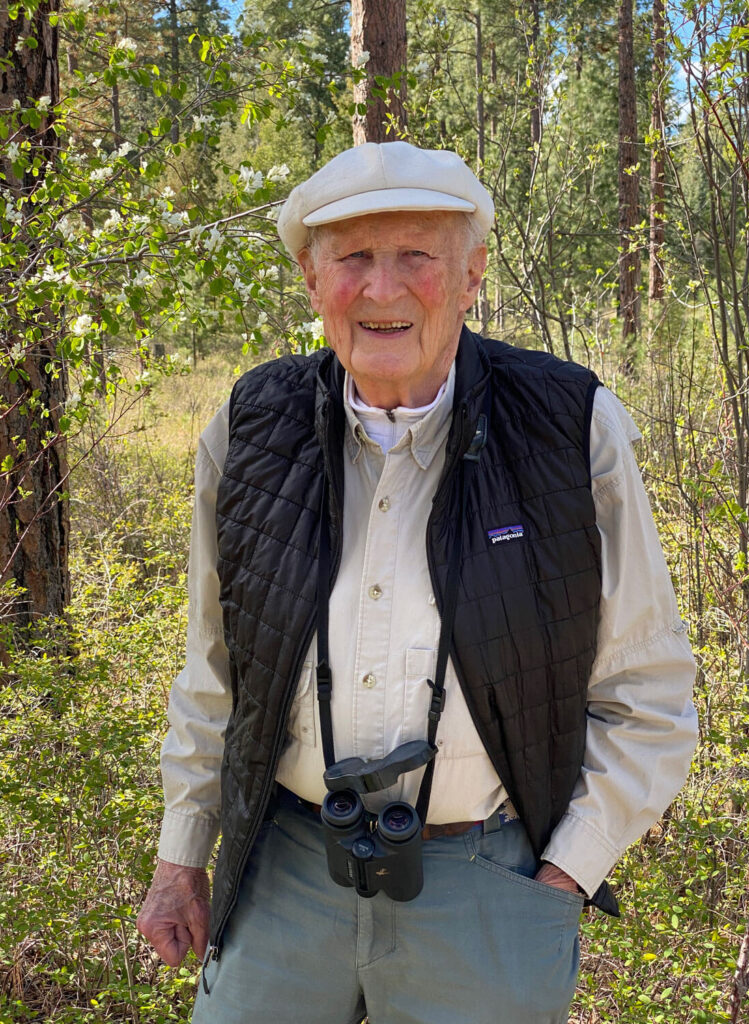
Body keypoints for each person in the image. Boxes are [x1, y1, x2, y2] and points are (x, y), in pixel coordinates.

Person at [137, 141, 698, 1024]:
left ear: (472, 275)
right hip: (285, 870)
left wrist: (562, 876)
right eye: (353, 258)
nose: (383, 289)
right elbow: (216, 674)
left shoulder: (570, 428)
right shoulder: (249, 429)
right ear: (310, 279)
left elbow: (649, 690)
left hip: (486, 886)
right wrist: (181, 858)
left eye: (417, 257)